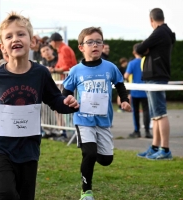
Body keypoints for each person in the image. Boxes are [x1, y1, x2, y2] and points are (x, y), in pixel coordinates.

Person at [0, 12, 79, 200]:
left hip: (29, 148)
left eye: (21, 34)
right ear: (2, 46)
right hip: (0, 146)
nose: (15, 39)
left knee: (23, 196)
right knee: (3, 192)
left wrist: (69, 104)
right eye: (9, 36)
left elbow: (55, 100)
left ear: (31, 41)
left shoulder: (41, 73)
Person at [62, 27, 131, 200]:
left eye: (98, 42)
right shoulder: (76, 70)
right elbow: (66, 93)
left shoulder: (110, 67)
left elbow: (120, 84)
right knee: (90, 154)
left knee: (106, 159)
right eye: (90, 42)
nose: (95, 45)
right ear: (81, 47)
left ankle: (91, 151)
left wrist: (124, 100)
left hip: (103, 120)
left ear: (102, 45)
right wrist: (71, 102)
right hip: (83, 119)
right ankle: (86, 191)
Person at [136, 8, 176, 160]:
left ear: (151, 20)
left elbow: (140, 48)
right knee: (155, 115)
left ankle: (165, 149)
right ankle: (155, 147)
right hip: (153, 76)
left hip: (156, 76)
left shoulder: (159, 32)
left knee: (160, 113)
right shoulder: (163, 32)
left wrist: (146, 49)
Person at [124, 43, 152, 139]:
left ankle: (137, 131)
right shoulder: (147, 61)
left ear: (134, 52)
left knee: (135, 111)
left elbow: (126, 76)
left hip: (135, 90)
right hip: (146, 90)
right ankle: (147, 131)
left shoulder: (132, 63)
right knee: (146, 111)